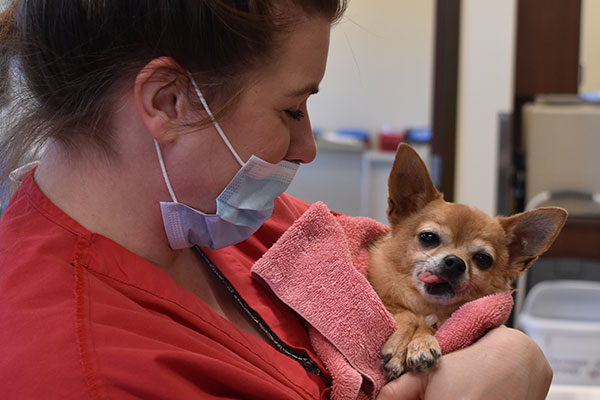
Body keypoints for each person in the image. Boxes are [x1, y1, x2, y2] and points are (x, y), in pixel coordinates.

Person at [0, 1, 552, 399]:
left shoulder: (255, 226)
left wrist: (513, 353)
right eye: (292, 109)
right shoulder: (79, 370)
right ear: (168, 101)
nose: (308, 148)